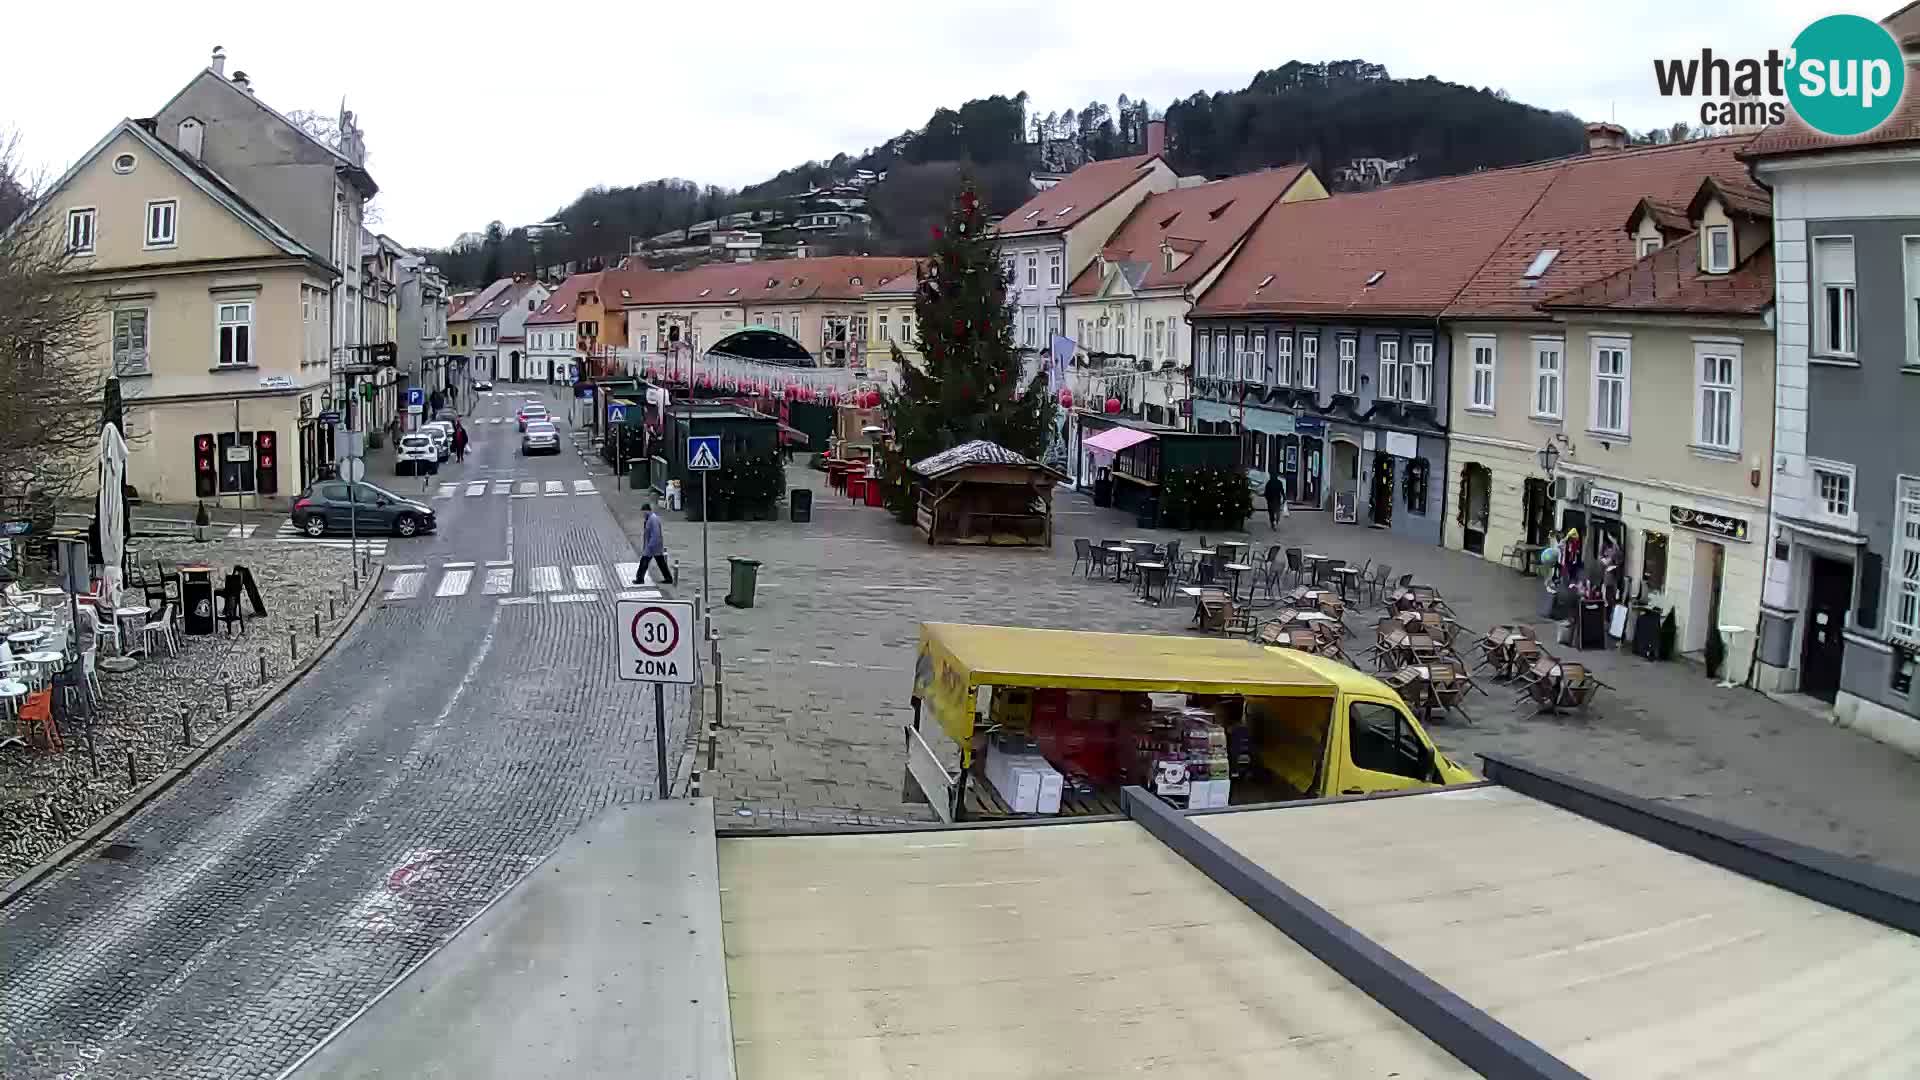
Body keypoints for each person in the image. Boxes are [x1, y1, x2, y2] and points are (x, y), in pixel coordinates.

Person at [635, 504, 674, 585]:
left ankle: (639, 579)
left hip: (652, 546)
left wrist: (649, 546)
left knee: (644, 562)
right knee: (661, 562)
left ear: (647, 510)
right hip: (654, 546)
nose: (643, 514)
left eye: (643, 512)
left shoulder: (653, 519)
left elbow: (655, 534)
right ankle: (668, 578)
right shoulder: (650, 518)